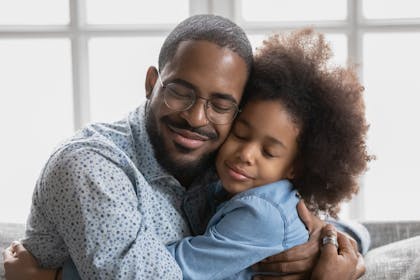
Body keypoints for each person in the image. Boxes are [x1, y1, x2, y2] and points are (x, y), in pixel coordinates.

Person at [2, 15, 365, 280]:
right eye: (180, 91)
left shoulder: (220, 162)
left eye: (221, 105)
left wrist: (337, 246)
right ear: (151, 83)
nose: (196, 117)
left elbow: (303, 219)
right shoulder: (89, 167)